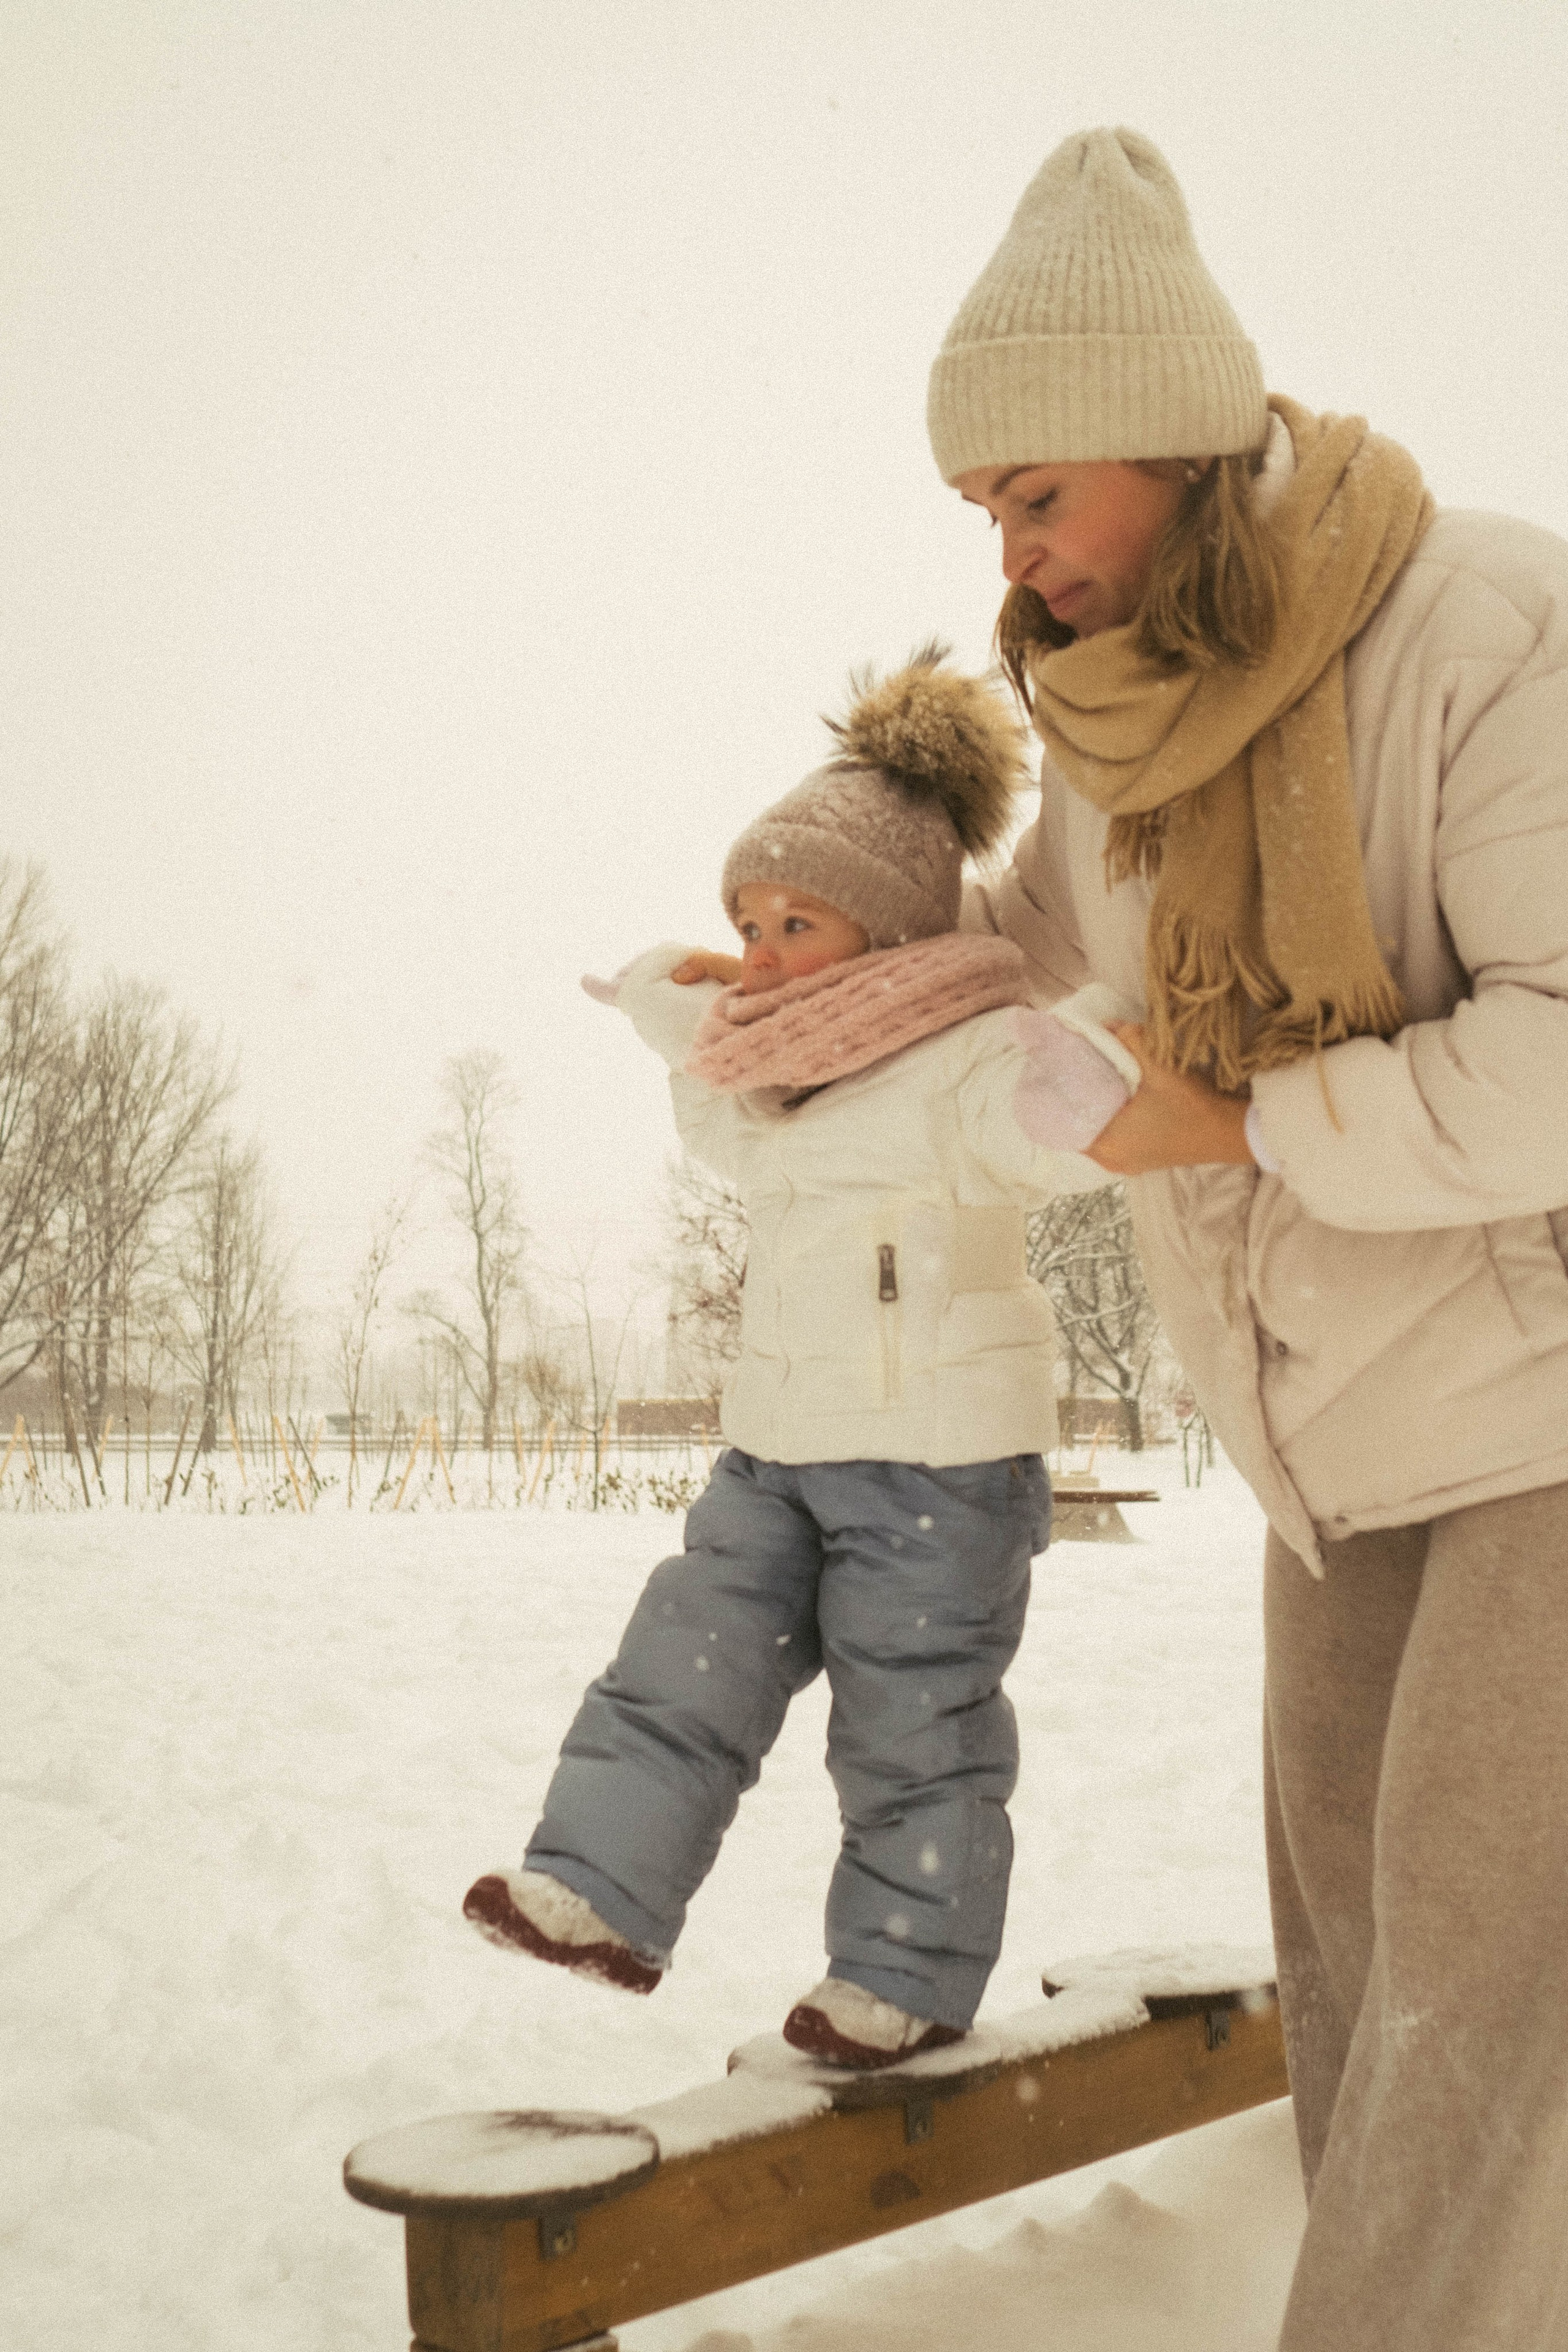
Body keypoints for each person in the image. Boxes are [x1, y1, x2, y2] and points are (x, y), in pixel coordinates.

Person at [921, 125, 1568, 2350]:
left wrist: (1250, 1122)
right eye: (982, 513)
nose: (1012, 559)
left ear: (1176, 443)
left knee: (1482, 2031)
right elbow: (1021, 958)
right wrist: (815, 954)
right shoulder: (1107, 745)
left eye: (1037, 495)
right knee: (1361, 2000)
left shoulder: (1484, 624)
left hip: (1546, 1421)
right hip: (1324, 1442)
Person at [464, 649, 1107, 2070]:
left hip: (936, 1465)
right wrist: (655, 979)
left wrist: (1107, 1064)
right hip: (776, 1450)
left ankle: (903, 1972)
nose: (754, 954)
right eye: (743, 921)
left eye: (792, 923)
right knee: (683, 1658)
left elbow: (1049, 1131)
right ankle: (595, 1888)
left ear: (884, 938)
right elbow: (692, 1047)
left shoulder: (968, 1062)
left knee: (912, 1728)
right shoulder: (767, 1084)